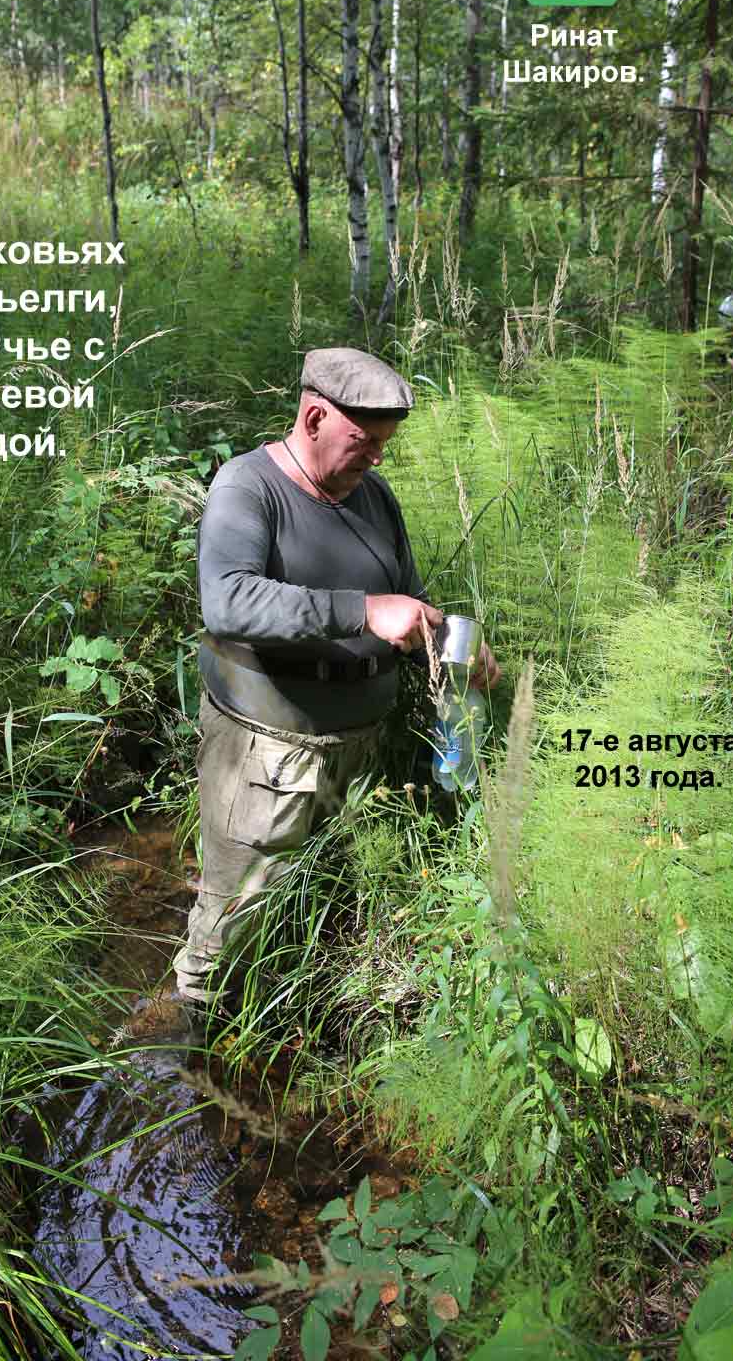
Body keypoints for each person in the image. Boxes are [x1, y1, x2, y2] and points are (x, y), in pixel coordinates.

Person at [171, 347, 500, 1011]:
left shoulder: (374, 497)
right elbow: (228, 603)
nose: (377, 457)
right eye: (365, 441)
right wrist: (362, 610)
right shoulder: (247, 487)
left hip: (363, 750)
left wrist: (449, 647)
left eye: (385, 443)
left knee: (324, 902)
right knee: (234, 916)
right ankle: (189, 1036)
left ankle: (291, 1019)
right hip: (268, 753)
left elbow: (406, 602)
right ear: (315, 417)